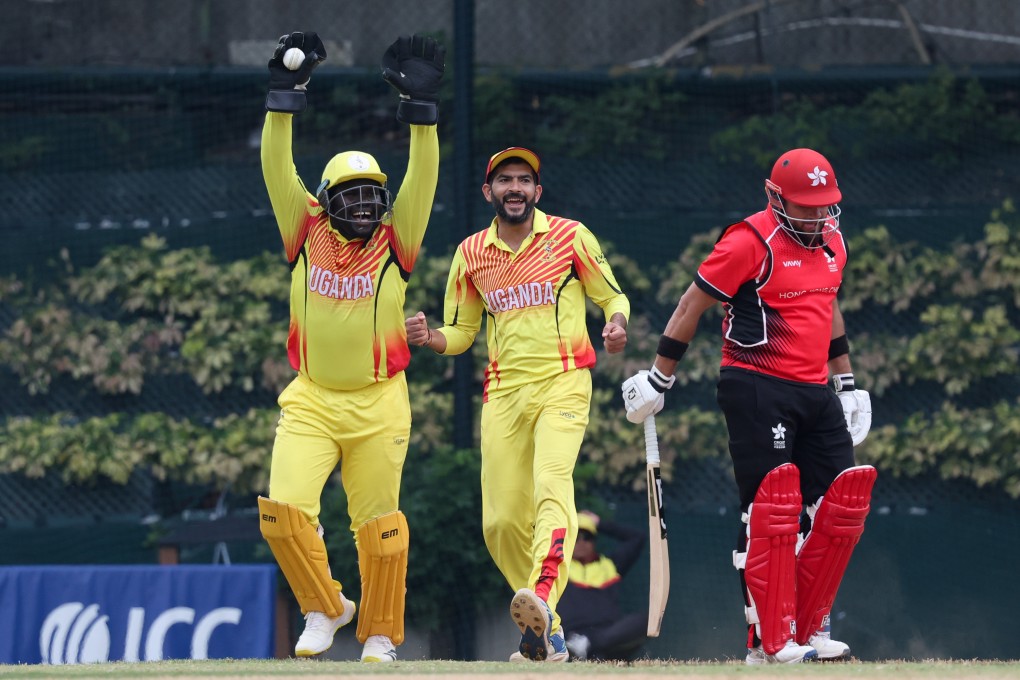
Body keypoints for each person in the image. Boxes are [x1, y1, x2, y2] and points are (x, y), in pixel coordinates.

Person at [621, 148, 876, 665]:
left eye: (824, 205)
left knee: (837, 508)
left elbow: (828, 304)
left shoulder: (833, 242)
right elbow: (692, 305)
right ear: (774, 195)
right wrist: (658, 378)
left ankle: (811, 626)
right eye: (804, 206)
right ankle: (765, 641)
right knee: (770, 509)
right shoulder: (748, 241)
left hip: (815, 389)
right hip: (756, 386)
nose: (816, 216)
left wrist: (846, 381)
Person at [256, 31, 444, 663]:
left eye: (374, 195)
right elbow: (277, 169)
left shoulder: (399, 237)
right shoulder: (304, 228)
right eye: (352, 196)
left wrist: (422, 111)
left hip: (379, 404)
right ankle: (326, 607)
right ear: (328, 200)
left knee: (380, 528)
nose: (365, 206)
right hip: (310, 399)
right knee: (282, 512)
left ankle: (383, 634)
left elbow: (424, 174)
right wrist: (285, 94)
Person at [405, 147, 630, 663]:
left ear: (537, 191)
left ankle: (543, 598)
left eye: (523, 180)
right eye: (504, 180)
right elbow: (462, 332)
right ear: (489, 192)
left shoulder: (571, 237)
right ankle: (547, 631)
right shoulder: (470, 253)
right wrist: (429, 337)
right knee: (500, 523)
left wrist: (616, 324)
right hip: (503, 394)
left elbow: (611, 297)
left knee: (553, 488)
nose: (514, 188)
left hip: (564, 382)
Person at [557, 510, 649, 662]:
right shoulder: (558, 566)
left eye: (587, 537)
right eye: (575, 537)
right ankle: (583, 648)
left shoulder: (610, 565)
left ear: (594, 541)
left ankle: (588, 644)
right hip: (570, 637)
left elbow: (638, 537)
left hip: (608, 636)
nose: (581, 542)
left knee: (648, 620)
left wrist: (600, 523)